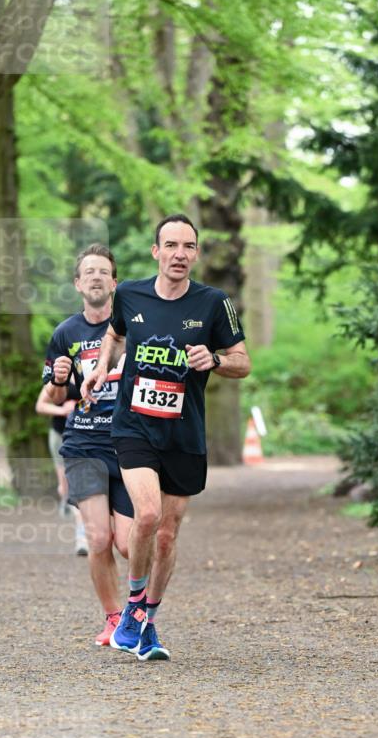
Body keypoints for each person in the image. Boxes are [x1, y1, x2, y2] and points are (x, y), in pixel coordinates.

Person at [82, 213, 251, 661]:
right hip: (134, 425)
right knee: (148, 514)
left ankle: (147, 621)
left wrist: (215, 359)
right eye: (171, 245)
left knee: (167, 536)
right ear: (156, 251)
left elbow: (243, 361)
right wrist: (100, 367)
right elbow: (114, 334)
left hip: (184, 432)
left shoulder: (214, 303)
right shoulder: (130, 293)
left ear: (196, 253)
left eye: (188, 246)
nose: (179, 254)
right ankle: (134, 606)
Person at [42, 244, 134, 646]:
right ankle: (114, 618)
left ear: (114, 283)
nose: (96, 276)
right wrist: (60, 378)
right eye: (89, 272)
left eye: (103, 271)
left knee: (128, 544)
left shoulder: (132, 328)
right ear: (78, 284)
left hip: (129, 444)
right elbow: (53, 395)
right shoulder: (65, 333)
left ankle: (138, 610)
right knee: (98, 539)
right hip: (83, 445)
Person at [35, 380, 88, 556]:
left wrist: (79, 407)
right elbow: (40, 405)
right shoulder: (59, 375)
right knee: (66, 488)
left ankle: (82, 536)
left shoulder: (93, 372)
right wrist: (63, 410)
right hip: (60, 435)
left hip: (84, 437)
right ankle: (65, 498)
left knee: (79, 488)